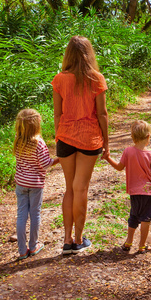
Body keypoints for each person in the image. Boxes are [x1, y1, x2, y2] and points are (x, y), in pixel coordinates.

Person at [52, 36, 109, 254]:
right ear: (89, 53)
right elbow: (102, 114)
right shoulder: (96, 79)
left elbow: (58, 114)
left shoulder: (59, 79)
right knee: (81, 188)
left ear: (68, 54)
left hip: (65, 137)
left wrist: (61, 136)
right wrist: (107, 142)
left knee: (69, 189)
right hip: (89, 138)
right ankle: (78, 239)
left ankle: (67, 240)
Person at [104, 119, 151, 254]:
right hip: (148, 193)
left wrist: (107, 158)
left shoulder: (128, 151)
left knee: (134, 217)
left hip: (134, 193)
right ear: (148, 137)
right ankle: (142, 245)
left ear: (132, 137)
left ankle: (128, 242)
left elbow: (119, 167)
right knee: (146, 219)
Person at [12, 108, 58, 261]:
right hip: (35, 184)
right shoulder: (39, 143)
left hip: (21, 183)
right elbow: (45, 164)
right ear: (37, 124)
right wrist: (59, 159)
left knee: (21, 215)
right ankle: (33, 246)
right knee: (35, 214)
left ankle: (22, 250)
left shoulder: (18, 141)